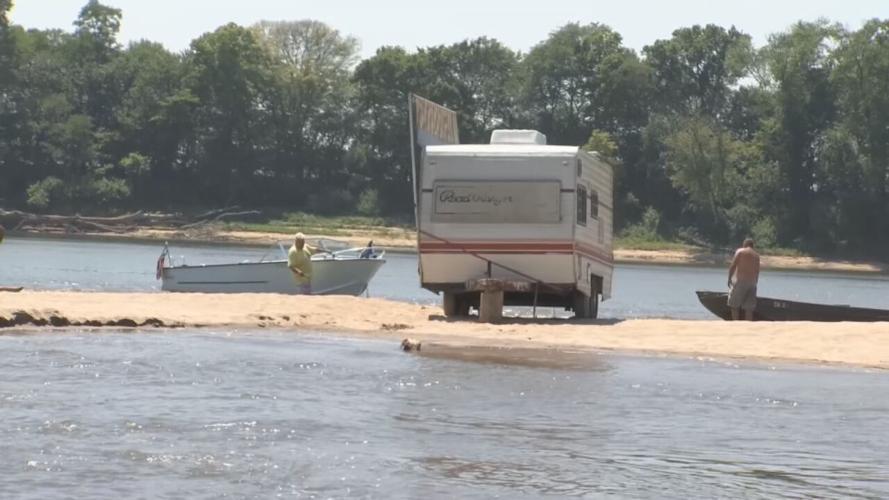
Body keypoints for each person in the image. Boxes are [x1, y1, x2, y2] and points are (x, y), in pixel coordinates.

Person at [727, 238, 760, 320]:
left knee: (734, 306)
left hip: (741, 282)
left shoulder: (740, 251)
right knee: (749, 309)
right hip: (752, 283)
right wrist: (755, 282)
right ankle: (748, 325)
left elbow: (733, 265)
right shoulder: (756, 256)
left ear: (744, 245)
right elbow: (757, 271)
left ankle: (736, 324)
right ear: (753, 246)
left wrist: (729, 278)